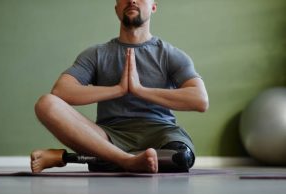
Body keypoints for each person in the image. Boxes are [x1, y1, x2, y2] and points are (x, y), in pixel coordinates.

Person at [30, 0, 209, 173]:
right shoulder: (96, 54)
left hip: (160, 132)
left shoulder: (171, 54)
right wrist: (118, 89)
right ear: (116, 10)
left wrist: (139, 90)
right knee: (46, 103)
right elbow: (61, 91)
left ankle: (72, 158)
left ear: (153, 7)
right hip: (107, 136)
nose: (131, 0)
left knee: (180, 158)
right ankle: (126, 161)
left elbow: (200, 100)